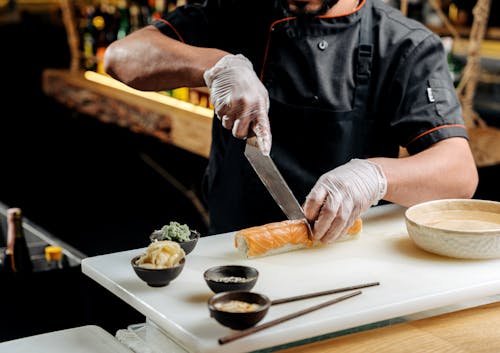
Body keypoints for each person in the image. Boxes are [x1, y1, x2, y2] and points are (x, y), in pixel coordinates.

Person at [104, 0, 478, 242]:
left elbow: (459, 175)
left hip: (346, 264)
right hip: (231, 256)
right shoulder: (233, 11)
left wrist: (374, 176)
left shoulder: (403, 43)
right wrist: (215, 65)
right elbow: (122, 57)